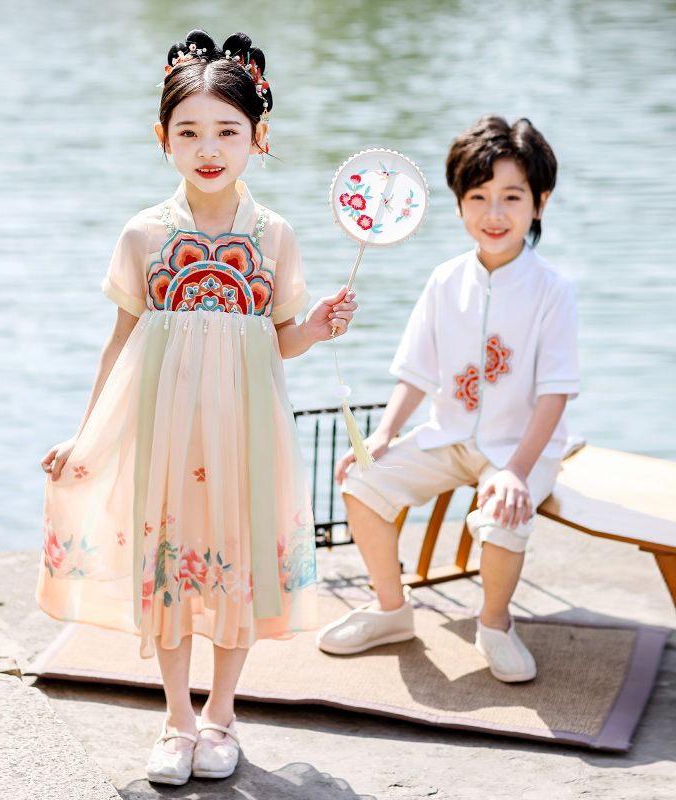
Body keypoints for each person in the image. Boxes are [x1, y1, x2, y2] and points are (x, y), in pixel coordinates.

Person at [36, 29, 357, 787]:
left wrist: (314, 327)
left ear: (258, 137)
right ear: (163, 139)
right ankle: (176, 717)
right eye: (189, 132)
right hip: (166, 433)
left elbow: (276, 342)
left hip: (247, 431)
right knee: (172, 567)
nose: (208, 148)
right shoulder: (144, 234)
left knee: (236, 567)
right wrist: (85, 437)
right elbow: (119, 346)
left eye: (227, 131)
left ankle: (222, 714)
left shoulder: (273, 236)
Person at [318, 116, 579, 684]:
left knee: (503, 515)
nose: (494, 213)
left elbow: (555, 394)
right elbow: (416, 372)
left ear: (540, 203)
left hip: (518, 447)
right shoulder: (444, 281)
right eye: (478, 196)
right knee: (361, 481)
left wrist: (515, 470)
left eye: (512, 197)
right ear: (460, 204)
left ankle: (494, 623)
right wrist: (384, 435)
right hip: (448, 435)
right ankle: (391, 609)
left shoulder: (553, 291)